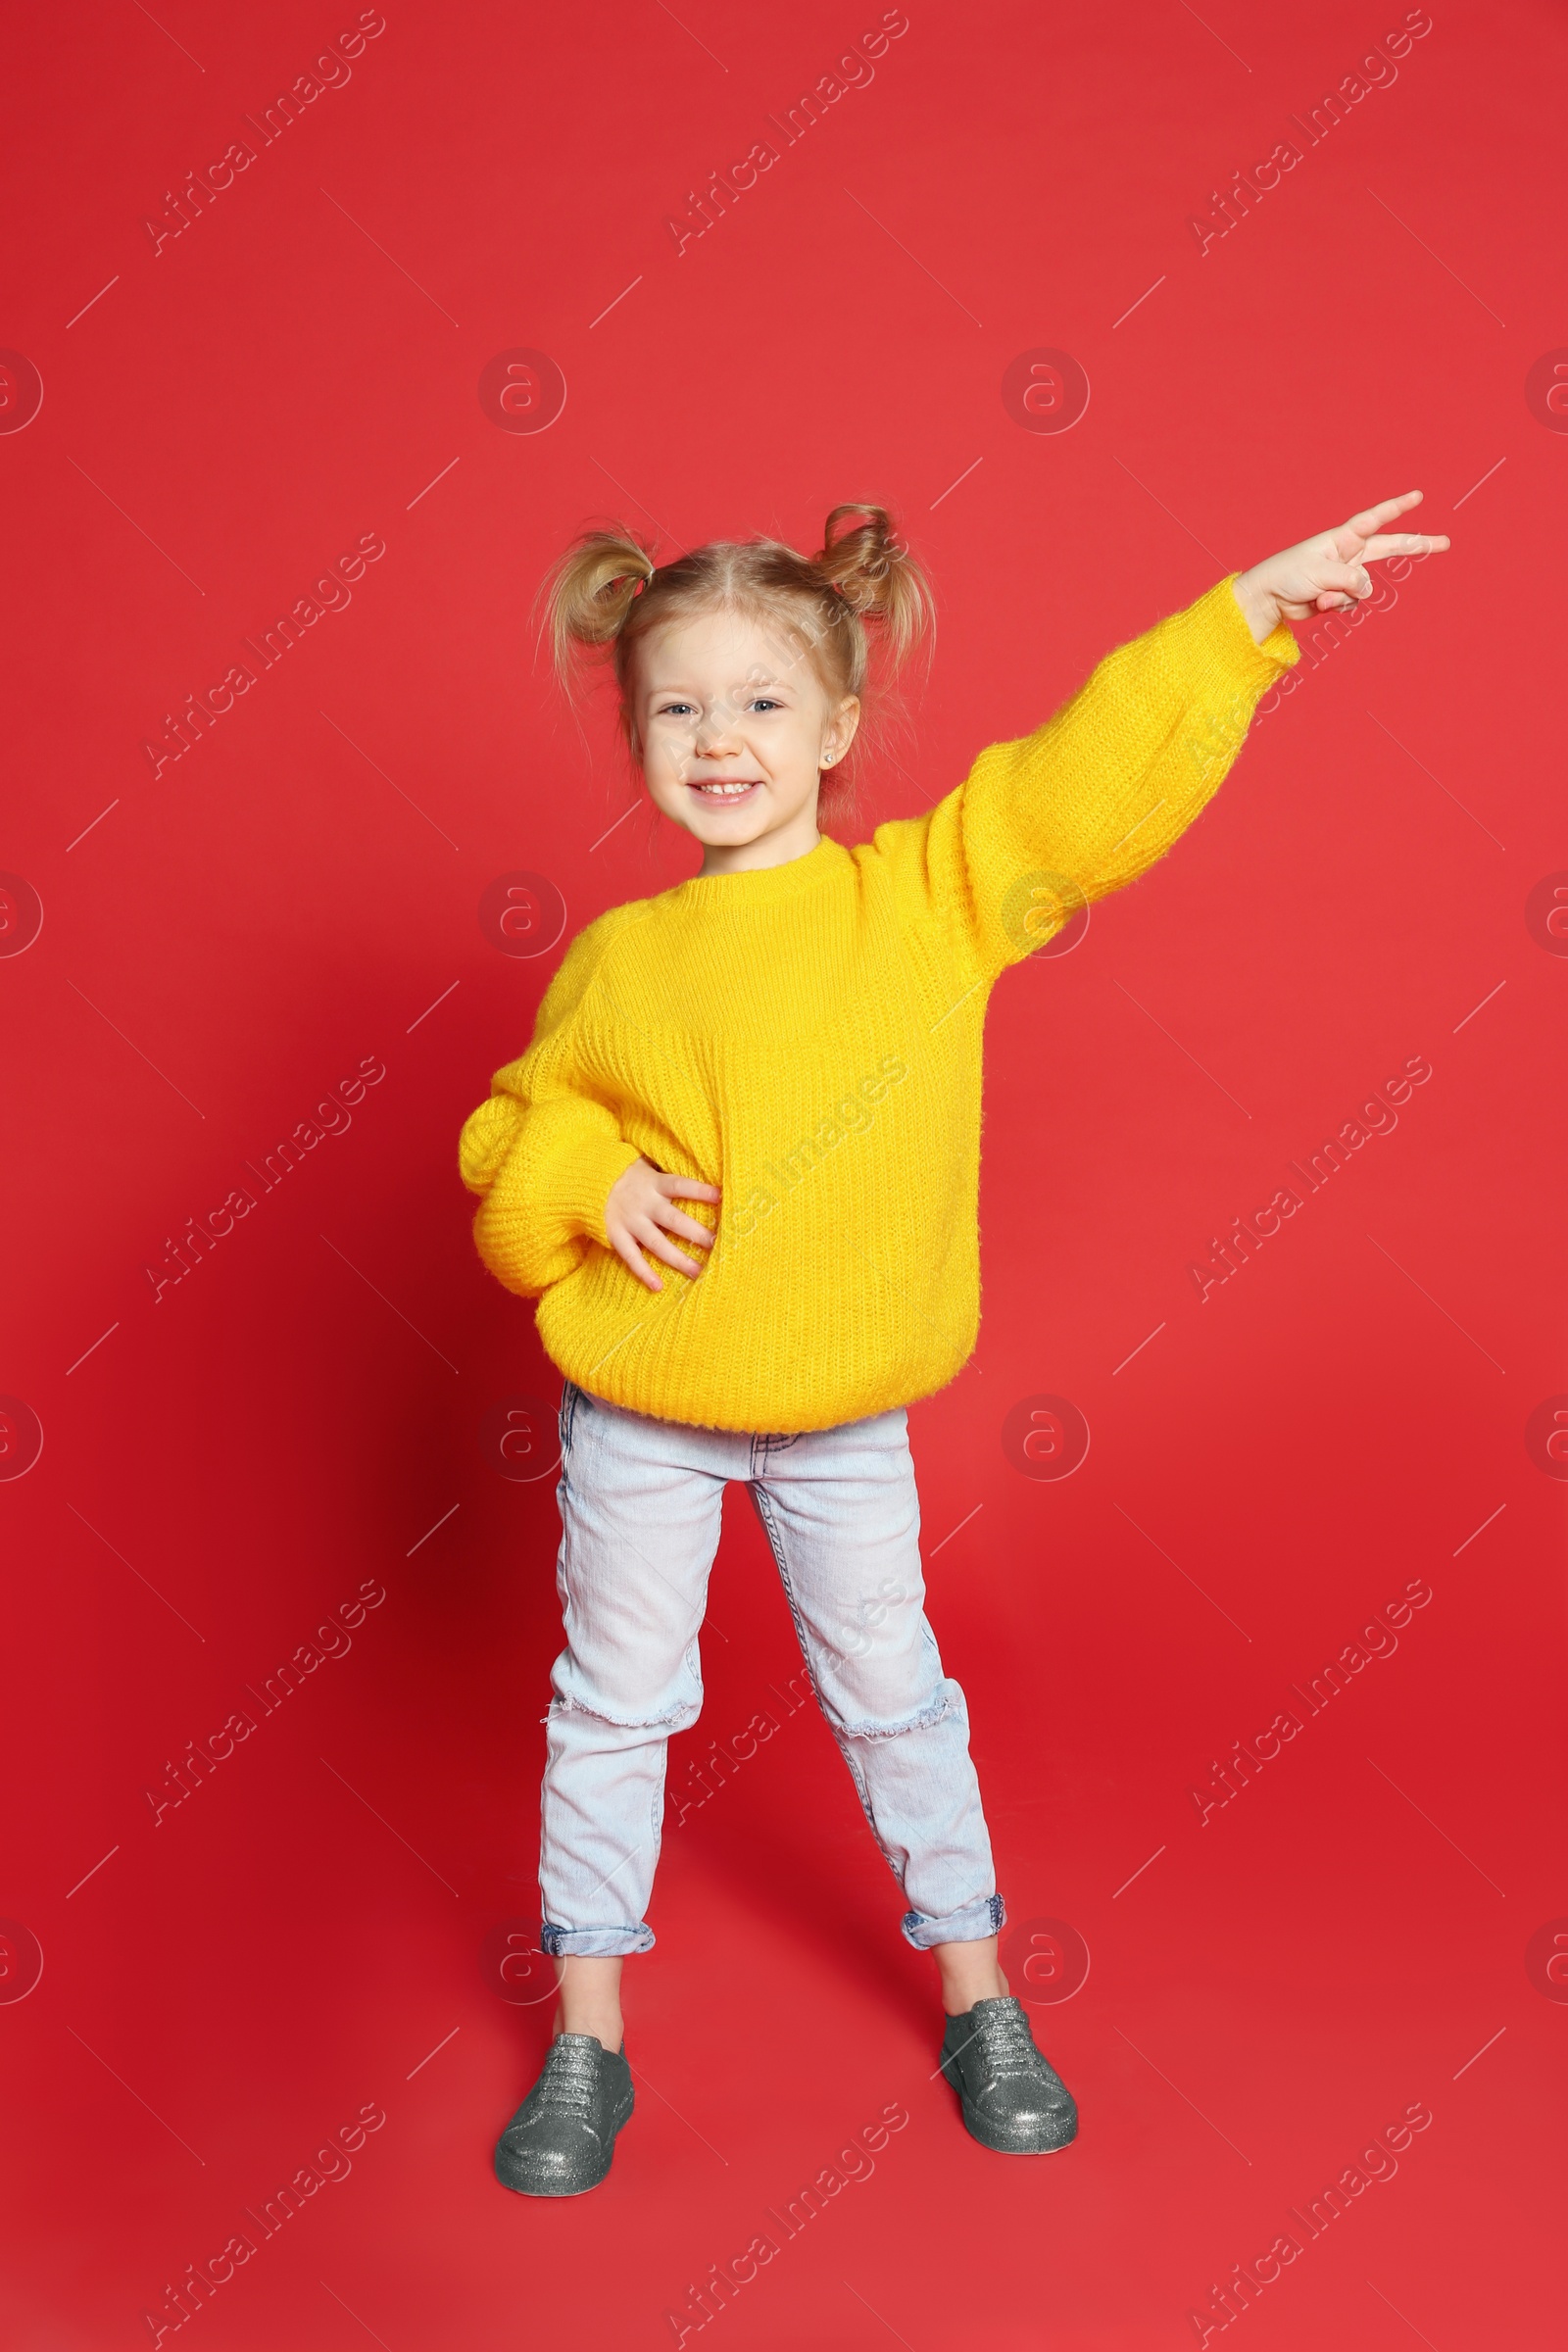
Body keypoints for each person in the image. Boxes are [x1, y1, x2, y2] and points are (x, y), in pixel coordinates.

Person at [459, 492, 1448, 2196]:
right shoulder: (622, 960)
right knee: (613, 1710)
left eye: (763, 703)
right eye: (679, 706)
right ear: (634, 734)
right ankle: (587, 2041)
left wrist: (1238, 619)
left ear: (838, 726)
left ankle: (981, 1997)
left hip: (843, 1420)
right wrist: (590, 1177)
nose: (720, 739)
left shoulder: (927, 899)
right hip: (645, 1412)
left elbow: (1077, 783)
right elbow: (502, 1143)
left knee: (898, 1702)